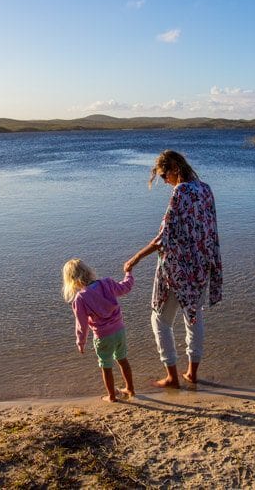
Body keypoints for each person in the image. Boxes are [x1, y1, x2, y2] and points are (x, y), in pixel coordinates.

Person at [124, 149, 222, 388]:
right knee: (195, 316)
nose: (164, 181)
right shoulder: (206, 189)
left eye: (163, 175)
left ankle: (172, 376)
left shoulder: (180, 192)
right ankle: (192, 373)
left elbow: (163, 237)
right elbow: (211, 229)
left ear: (175, 169)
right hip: (201, 266)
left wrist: (135, 258)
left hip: (177, 270)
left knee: (159, 320)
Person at [62, 258, 135, 402]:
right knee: (123, 359)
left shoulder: (80, 299)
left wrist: (81, 342)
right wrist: (128, 273)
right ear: (88, 271)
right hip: (119, 330)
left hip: (103, 336)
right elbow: (126, 287)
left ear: (71, 280)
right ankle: (130, 389)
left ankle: (112, 396)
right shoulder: (106, 283)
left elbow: (81, 325)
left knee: (106, 366)